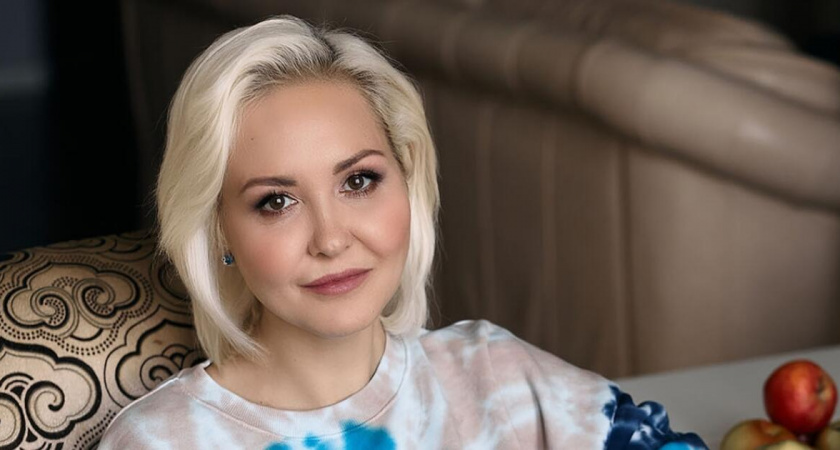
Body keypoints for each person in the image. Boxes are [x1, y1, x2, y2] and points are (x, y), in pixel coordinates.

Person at [99, 16, 707, 449]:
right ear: (217, 231)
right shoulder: (163, 441)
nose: (331, 239)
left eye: (359, 181)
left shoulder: (490, 373)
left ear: (407, 180)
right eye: (276, 201)